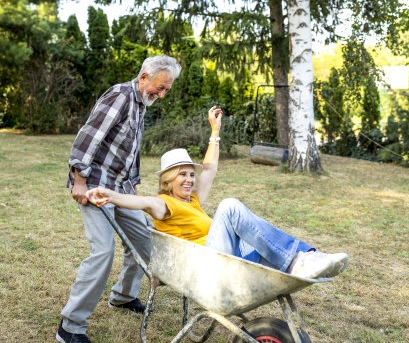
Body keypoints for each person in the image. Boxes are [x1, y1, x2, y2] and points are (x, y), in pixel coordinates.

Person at [86, 106, 349, 281]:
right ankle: (297, 261)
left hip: (220, 258)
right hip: (205, 269)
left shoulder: (194, 201)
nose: (190, 179)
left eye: (191, 174)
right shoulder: (164, 204)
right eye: (182, 174)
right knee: (230, 207)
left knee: (255, 231)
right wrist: (107, 193)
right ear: (168, 180)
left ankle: (306, 258)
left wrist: (215, 132)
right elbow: (139, 201)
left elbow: (209, 168)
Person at [57, 55, 182, 343]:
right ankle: (70, 326)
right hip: (96, 187)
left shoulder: (142, 103)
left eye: (166, 90)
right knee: (102, 252)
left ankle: (123, 297)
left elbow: (131, 147)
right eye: (159, 88)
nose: (161, 95)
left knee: (143, 242)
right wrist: (79, 178)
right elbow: (89, 136)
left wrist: (133, 184)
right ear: (143, 77)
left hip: (122, 187)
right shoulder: (120, 96)